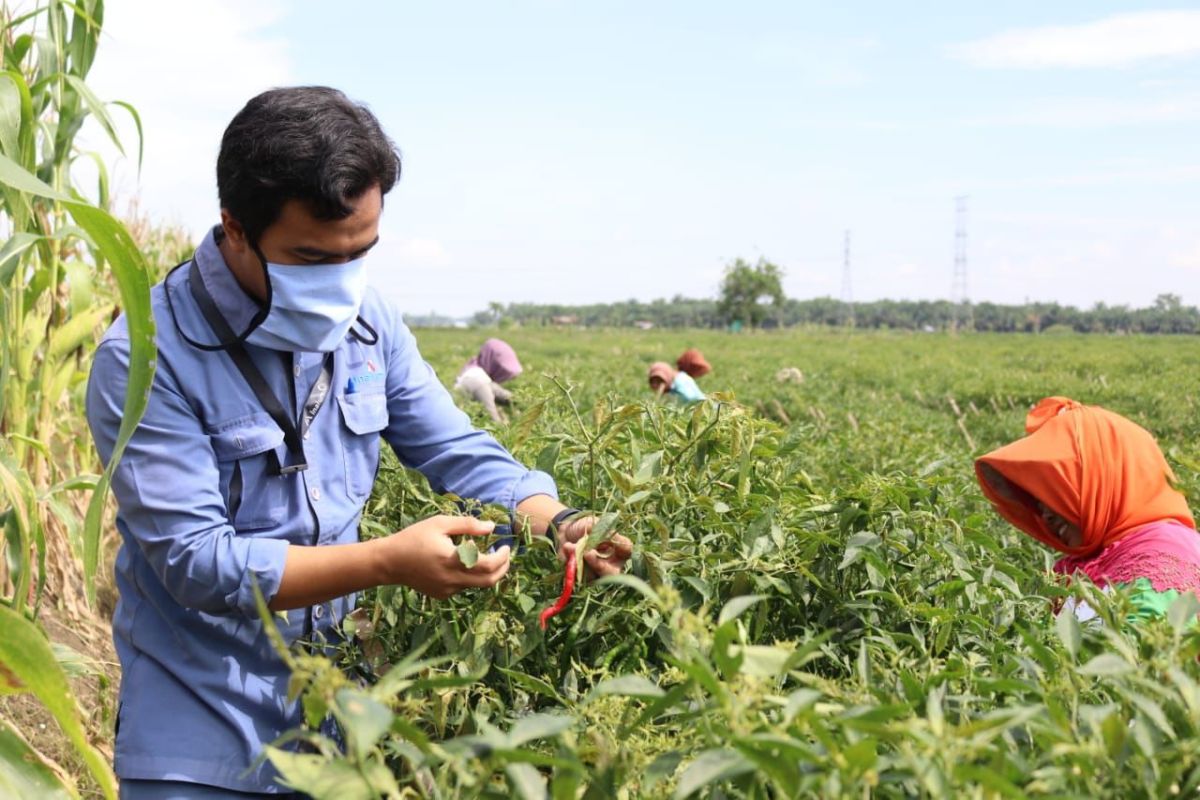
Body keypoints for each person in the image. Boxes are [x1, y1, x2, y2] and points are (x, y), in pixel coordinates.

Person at [85, 86, 633, 799]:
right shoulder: (146, 357)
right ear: (236, 228)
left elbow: (454, 447)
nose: (340, 285)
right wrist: (383, 563)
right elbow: (196, 562)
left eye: (361, 253)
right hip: (198, 737)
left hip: (342, 732)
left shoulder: (368, 323)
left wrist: (556, 523)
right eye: (312, 259)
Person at [976, 396, 1200, 623]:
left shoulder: (1165, 553)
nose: (1046, 515)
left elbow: (1142, 648)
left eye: (1058, 491)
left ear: (1103, 481)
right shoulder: (1077, 566)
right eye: (1039, 500)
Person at [455, 338, 521, 422]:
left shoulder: (475, 372)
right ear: (495, 366)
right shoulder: (479, 384)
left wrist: (522, 399)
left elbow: (500, 392)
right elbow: (493, 420)